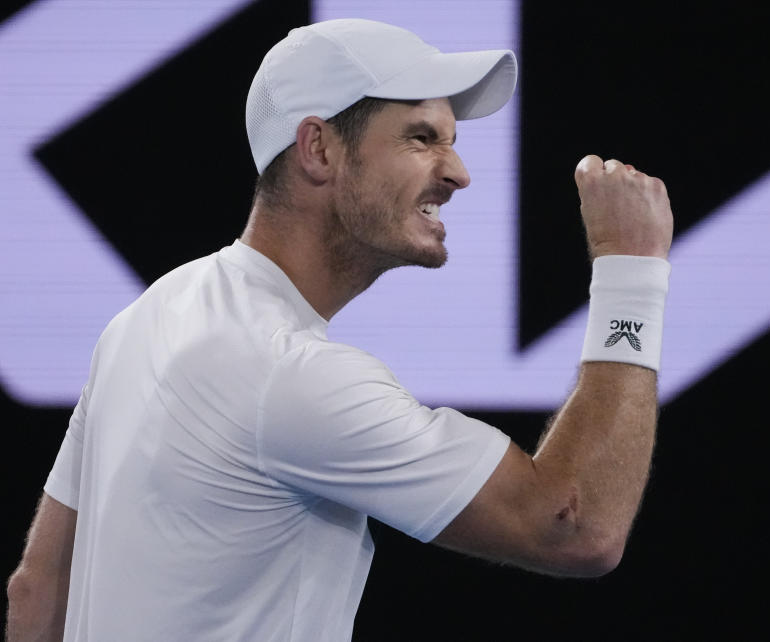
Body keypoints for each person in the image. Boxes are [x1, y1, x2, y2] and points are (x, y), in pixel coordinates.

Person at [5, 18, 674, 642]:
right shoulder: (288, 374)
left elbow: (39, 590)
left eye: (452, 140)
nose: (458, 173)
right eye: (421, 137)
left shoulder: (148, 316)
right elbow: (577, 528)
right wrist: (631, 272)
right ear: (318, 148)